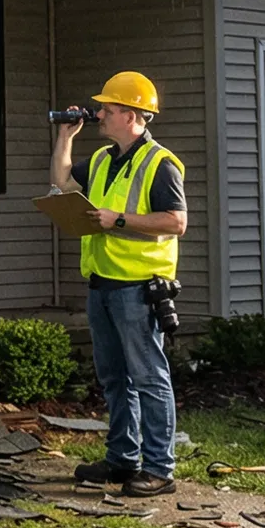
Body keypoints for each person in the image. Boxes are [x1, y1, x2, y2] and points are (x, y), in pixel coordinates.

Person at [48, 72, 186, 497]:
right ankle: (123, 460)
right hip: (102, 285)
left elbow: (176, 222)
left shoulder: (160, 164)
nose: (101, 114)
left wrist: (118, 220)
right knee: (114, 379)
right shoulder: (106, 159)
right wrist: (66, 137)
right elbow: (63, 183)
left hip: (139, 289)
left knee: (149, 377)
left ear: (132, 115)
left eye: (108, 109)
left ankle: (160, 469)